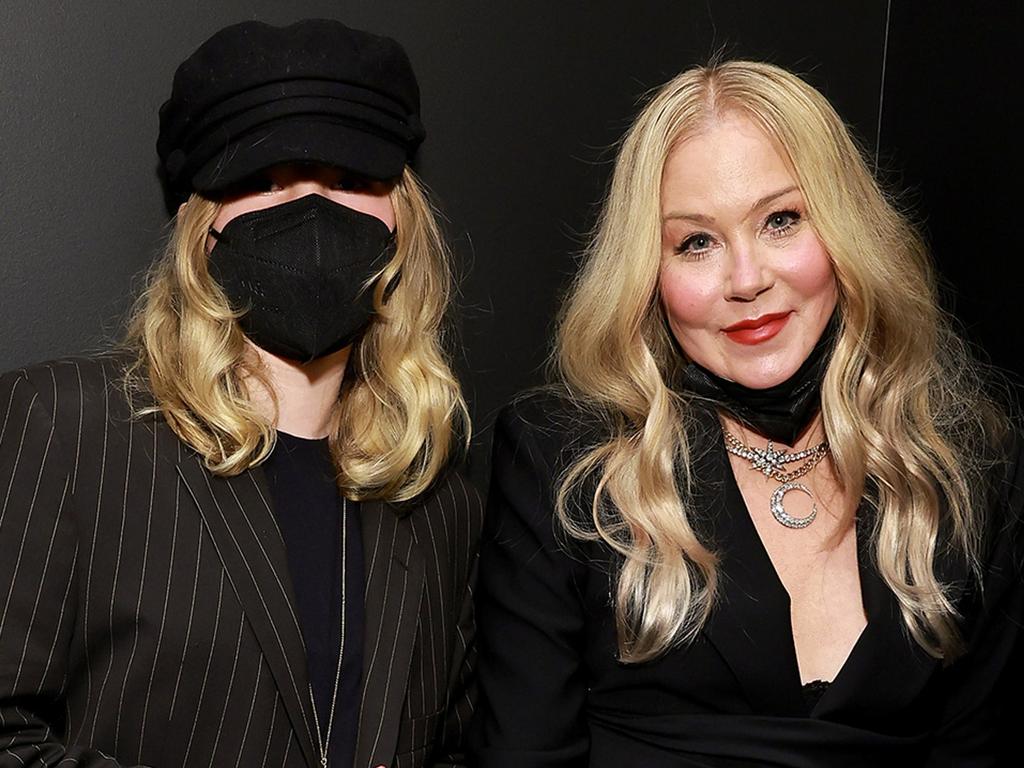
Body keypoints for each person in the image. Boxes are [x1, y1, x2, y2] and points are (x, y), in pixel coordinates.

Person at [472, 60, 1022, 766]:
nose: (747, 280)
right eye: (695, 241)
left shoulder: (967, 462)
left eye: (781, 220)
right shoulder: (566, 461)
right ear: (648, 271)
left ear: (846, 229)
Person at [0, 19, 482, 768]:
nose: (313, 210)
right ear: (203, 227)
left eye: (352, 179)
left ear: (401, 223)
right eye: (264, 180)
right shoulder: (65, 428)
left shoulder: (437, 499)